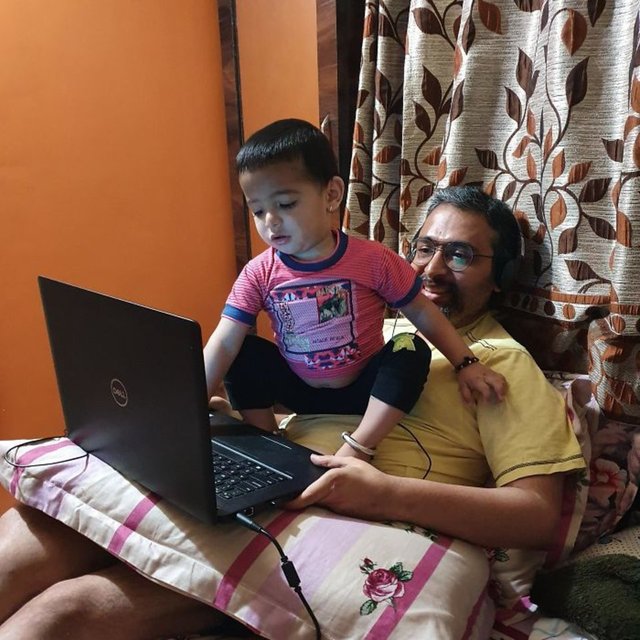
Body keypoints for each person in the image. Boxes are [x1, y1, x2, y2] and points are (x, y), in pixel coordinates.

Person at [0, 186, 585, 639]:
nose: (432, 269)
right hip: (268, 478)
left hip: (330, 522)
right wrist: (220, 416)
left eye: (460, 255)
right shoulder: (376, 326)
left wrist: (384, 494)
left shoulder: (501, 363)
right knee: (32, 530)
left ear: (498, 277)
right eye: (425, 247)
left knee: (62, 612)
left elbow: (535, 517)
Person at [204, 119, 506, 460]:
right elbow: (224, 341)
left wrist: (466, 363)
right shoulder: (258, 272)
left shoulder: (373, 260)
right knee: (243, 351)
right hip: (298, 389)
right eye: (258, 211)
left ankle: (359, 446)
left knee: (410, 347)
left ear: (332, 194)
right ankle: (267, 439)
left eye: (286, 204)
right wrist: (188, 403)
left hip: (365, 387)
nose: (270, 221)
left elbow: (423, 312)